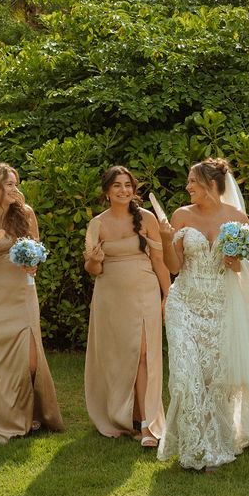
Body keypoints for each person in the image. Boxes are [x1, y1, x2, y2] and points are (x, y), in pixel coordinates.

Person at [157, 158, 249, 471]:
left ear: (210, 184)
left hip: (221, 304)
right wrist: (168, 240)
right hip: (184, 303)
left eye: (192, 181)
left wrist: (237, 263)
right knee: (185, 374)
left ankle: (215, 446)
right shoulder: (181, 215)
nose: (187, 187)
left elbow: (247, 264)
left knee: (214, 380)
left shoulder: (237, 217)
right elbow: (174, 267)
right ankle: (192, 447)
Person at [0, 162, 64, 443]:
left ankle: (30, 410)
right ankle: (4, 417)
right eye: (9, 184)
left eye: (15, 184)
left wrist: (33, 262)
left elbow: (36, 250)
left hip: (22, 291)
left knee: (30, 359)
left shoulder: (25, 213)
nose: (14, 189)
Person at [84, 166, 170, 446]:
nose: (124, 190)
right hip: (110, 296)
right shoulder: (97, 224)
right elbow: (92, 269)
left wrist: (168, 296)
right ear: (107, 192)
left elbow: (159, 261)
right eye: (117, 186)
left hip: (144, 291)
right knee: (122, 356)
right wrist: (95, 259)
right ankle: (126, 415)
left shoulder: (146, 219)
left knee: (144, 353)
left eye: (128, 185)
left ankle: (147, 425)